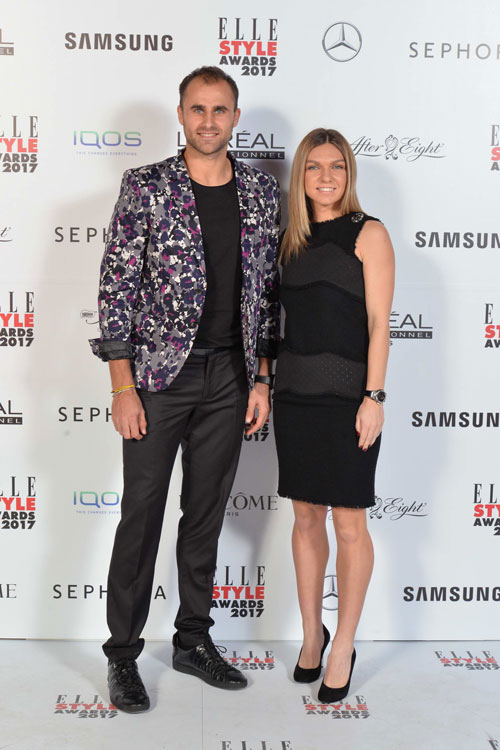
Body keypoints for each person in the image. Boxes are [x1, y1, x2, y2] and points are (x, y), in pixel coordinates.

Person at [90, 66, 280, 712]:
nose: (208, 121)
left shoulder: (260, 192)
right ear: (180, 114)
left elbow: (267, 294)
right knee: (141, 513)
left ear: (235, 117)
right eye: (197, 109)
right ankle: (123, 655)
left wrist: (262, 378)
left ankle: (193, 640)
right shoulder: (146, 186)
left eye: (219, 110)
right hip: (156, 378)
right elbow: (116, 288)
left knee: (204, 516)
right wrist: (122, 385)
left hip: (231, 376)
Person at [273, 128, 394, 702]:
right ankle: (311, 636)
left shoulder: (369, 233)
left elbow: (379, 323)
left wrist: (375, 397)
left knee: (349, 524)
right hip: (294, 399)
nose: (326, 177)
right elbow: (275, 324)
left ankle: (343, 643)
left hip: (349, 403)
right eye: (314, 166)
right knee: (304, 520)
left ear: (349, 174)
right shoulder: (288, 241)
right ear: (301, 175)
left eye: (337, 166)